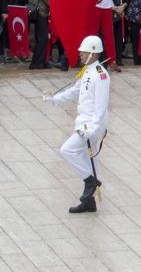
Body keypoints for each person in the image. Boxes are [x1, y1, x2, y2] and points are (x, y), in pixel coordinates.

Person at [42, 35, 110, 214]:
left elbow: (101, 106)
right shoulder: (87, 70)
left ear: (93, 53)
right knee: (91, 160)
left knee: (67, 150)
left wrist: (93, 128)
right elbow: (75, 91)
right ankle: (89, 201)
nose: (80, 53)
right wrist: (54, 99)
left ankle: (89, 181)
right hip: (85, 123)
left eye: (84, 51)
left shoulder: (101, 76)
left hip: (90, 125)